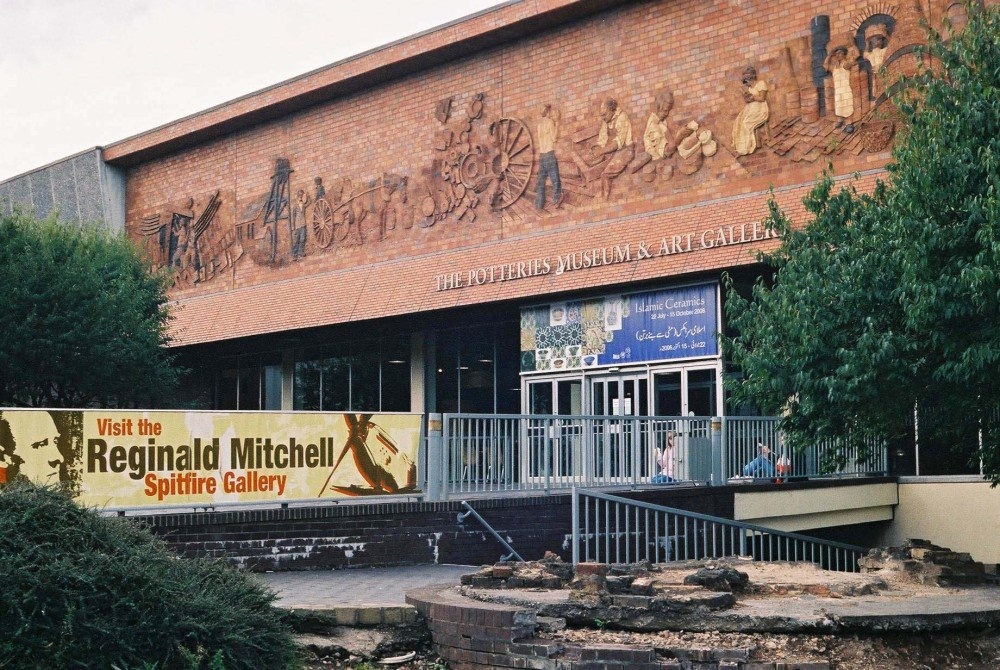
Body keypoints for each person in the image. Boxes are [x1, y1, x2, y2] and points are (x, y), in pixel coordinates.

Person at [592, 98, 634, 199]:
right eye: (601, 115)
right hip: (613, 151)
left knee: (605, 174)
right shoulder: (606, 119)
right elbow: (602, 138)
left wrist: (602, 151)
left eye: (604, 114)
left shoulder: (622, 117)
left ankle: (605, 200)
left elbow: (619, 142)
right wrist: (597, 147)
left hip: (625, 150)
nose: (603, 117)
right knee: (597, 168)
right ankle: (600, 194)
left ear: (612, 110)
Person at [732, 66, 770, 156]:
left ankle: (747, 147)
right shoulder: (749, 88)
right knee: (738, 122)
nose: (747, 82)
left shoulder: (761, 84)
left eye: (748, 80)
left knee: (746, 123)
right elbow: (748, 100)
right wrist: (746, 95)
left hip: (760, 108)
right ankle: (740, 146)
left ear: (751, 77)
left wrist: (752, 97)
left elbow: (762, 98)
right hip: (750, 108)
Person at [535, 104, 563, 210]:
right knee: (555, 179)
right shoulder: (550, 122)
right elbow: (554, 138)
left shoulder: (539, 126)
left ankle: (539, 204)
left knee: (541, 181)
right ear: (548, 112)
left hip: (542, 156)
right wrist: (558, 123)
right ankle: (556, 199)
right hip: (549, 154)